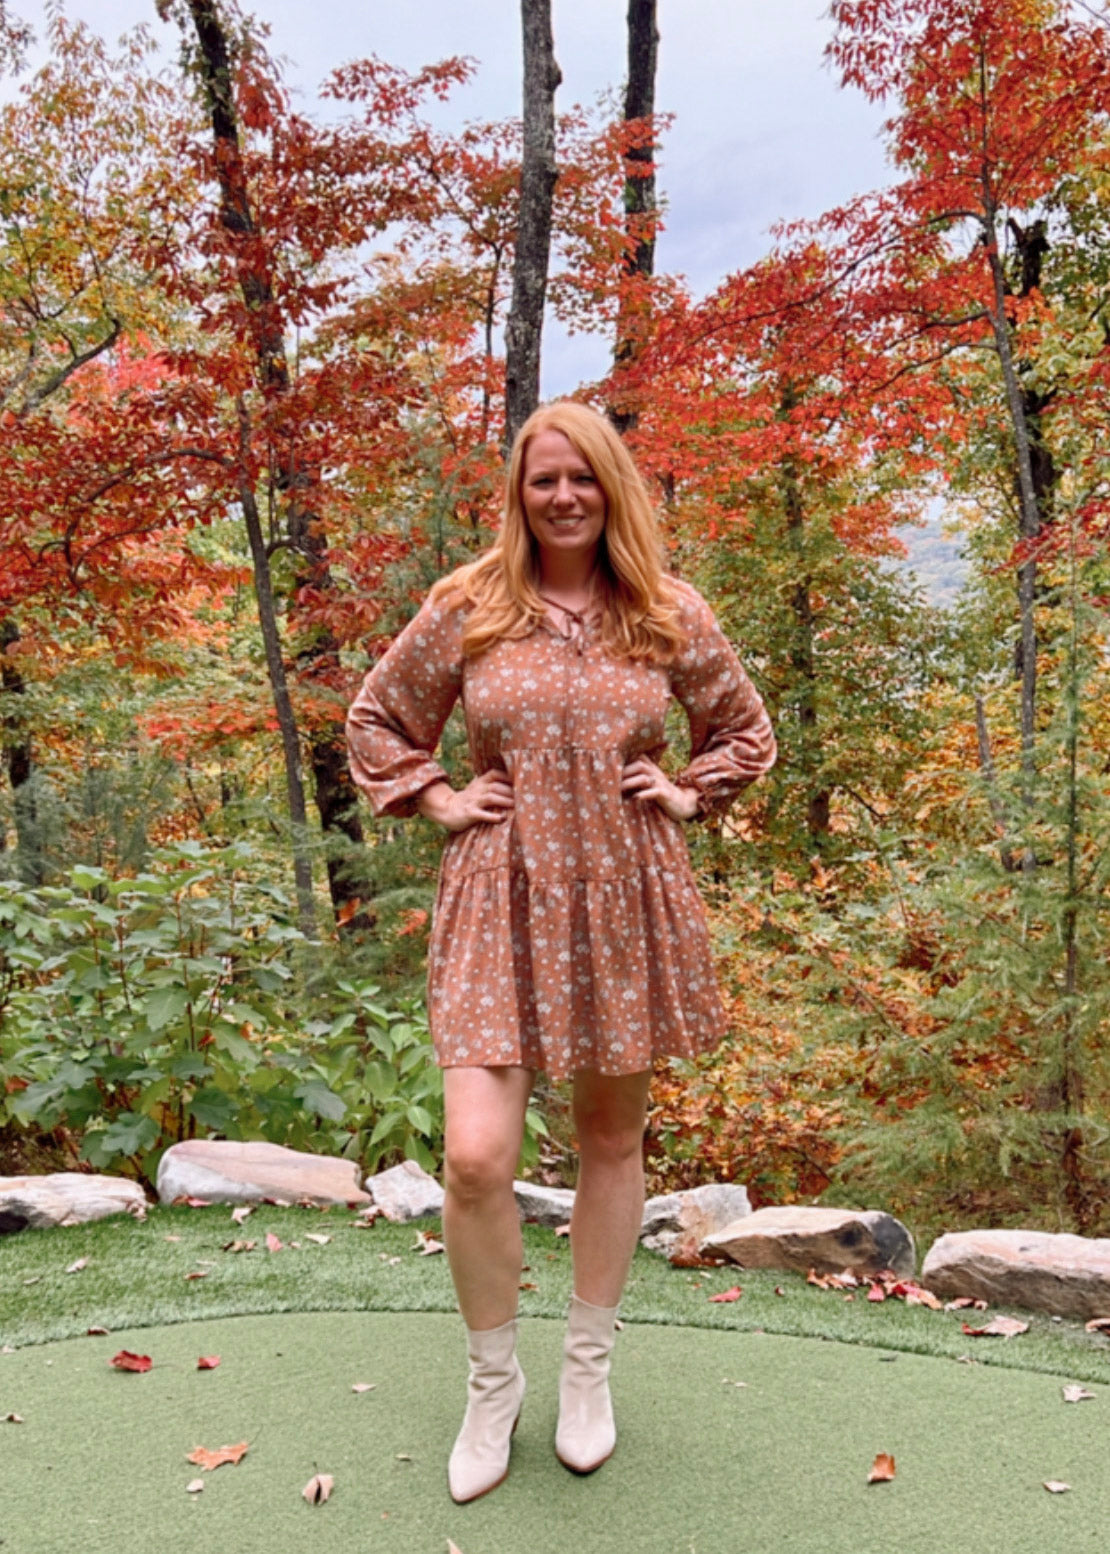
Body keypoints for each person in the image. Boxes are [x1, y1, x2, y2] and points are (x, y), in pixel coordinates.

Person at [346, 400, 776, 1504]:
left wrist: (687, 791)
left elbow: (745, 729)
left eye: (582, 477)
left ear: (610, 487)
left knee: (610, 1136)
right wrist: (438, 796)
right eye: (544, 479)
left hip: (624, 898)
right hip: (499, 895)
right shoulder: (470, 606)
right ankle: (494, 1387)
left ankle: (587, 1373)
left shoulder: (665, 610)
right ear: (519, 494)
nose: (564, 496)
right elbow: (377, 718)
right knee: (475, 1158)